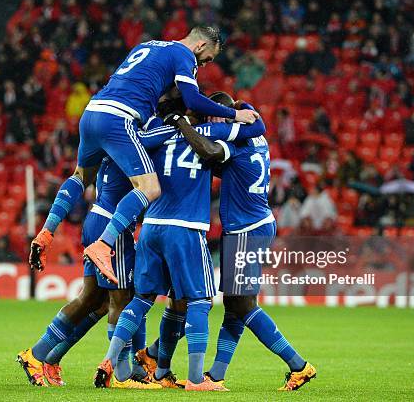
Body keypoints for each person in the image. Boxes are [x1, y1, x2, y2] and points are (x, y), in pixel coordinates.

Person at [28, 27, 259, 287]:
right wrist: (235, 115)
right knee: (149, 187)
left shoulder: (146, 46)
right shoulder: (183, 54)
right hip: (120, 118)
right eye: (207, 59)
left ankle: (46, 232)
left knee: (81, 177)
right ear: (201, 45)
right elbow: (193, 100)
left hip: (92, 111)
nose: (204, 65)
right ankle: (103, 244)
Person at [143, 93, 317, 391]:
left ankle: (299, 365)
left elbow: (209, 153)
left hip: (246, 230)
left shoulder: (233, 146)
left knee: (242, 304)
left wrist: (183, 124)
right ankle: (215, 373)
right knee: (235, 305)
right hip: (255, 224)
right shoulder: (255, 137)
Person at [93, 92, 265, 391]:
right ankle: (198, 380)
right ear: (211, 114)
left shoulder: (160, 133)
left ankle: (111, 361)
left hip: (151, 226)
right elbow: (256, 127)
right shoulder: (215, 130)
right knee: (200, 301)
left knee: (142, 299)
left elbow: (129, 144)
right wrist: (240, 114)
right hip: (185, 227)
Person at [17, 157, 154, 389]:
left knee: (93, 301)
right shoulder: (133, 141)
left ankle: (47, 357)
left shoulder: (112, 145)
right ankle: (121, 374)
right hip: (113, 225)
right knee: (122, 299)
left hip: (98, 219)